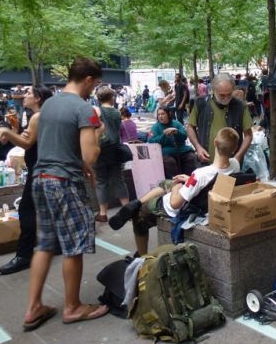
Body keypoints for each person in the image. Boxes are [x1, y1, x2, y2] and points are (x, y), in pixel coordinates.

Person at [24, 57, 108, 331]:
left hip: (40, 179)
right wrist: (99, 132)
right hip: (63, 183)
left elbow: (57, 145)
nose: (94, 89)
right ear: (87, 80)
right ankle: (72, 307)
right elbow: (90, 154)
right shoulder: (84, 109)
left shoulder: (50, 104)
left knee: (45, 244)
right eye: (95, 84)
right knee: (74, 244)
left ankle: (33, 306)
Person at [109, 127, 240, 256]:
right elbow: (212, 182)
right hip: (203, 199)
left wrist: (177, 187)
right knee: (166, 182)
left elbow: (175, 204)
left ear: (215, 142)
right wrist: (189, 180)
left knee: (140, 215)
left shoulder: (200, 174)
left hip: (179, 207)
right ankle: (137, 202)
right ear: (234, 149)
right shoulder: (235, 165)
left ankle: (142, 256)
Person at [0, 85, 53, 275]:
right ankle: (54, 244)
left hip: (39, 170)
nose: (24, 96)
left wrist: (7, 132)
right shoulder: (42, 116)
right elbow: (28, 140)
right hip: (44, 169)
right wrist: (14, 131)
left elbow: (27, 144)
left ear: (39, 98)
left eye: (28, 93)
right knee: (47, 210)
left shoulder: (38, 116)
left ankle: (24, 256)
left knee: (26, 211)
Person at [187, 73, 253, 166]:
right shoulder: (200, 104)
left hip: (231, 164)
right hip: (205, 162)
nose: (226, 98)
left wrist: (238, 156)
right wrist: (198, 147)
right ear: (213, 90)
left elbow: (248, 135)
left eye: (229, 94)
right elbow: (190, 127)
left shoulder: (240, 107)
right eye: (222, 95)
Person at [93, 86, 130, 223]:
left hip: (101, 150)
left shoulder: (96, 111)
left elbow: (93, 127)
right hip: (115, 150)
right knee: (118, 180)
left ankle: (102, 213)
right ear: (111, 97)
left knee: (101, 181)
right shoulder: (116, 112)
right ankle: (127, 209)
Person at [148, 106, 197, 179]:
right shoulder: (155, 127)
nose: (160, 116)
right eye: (159, 115)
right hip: (167, 152)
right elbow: (151, 141)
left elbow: (184, 136)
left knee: (191, 157)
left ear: (169, 114)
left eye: (163, 114)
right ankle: (174, 182)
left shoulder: (176, 124)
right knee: (169, 161)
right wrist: (163, 135)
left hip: (181, 149)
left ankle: (188, 180)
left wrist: (176, 132)